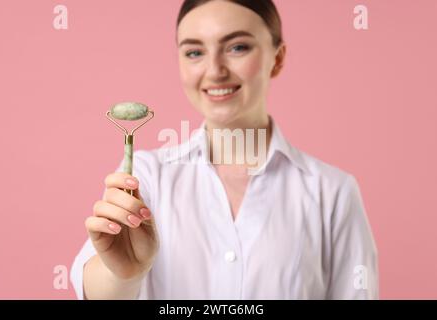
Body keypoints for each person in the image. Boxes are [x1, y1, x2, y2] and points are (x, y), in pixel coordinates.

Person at [70, 0, 378, 300]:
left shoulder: (333, 192)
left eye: (237, 47)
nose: (215, 70)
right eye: (194, 52)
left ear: (278, 58)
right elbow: (96, 292)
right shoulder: (144, 177)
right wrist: (124, 274)